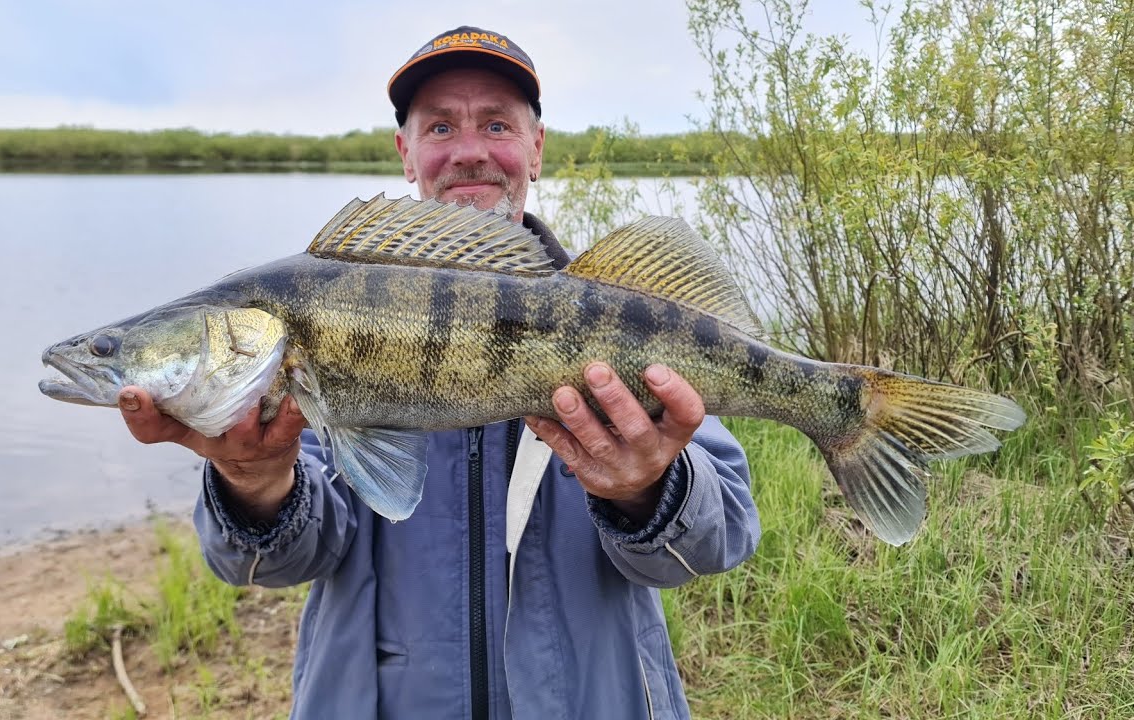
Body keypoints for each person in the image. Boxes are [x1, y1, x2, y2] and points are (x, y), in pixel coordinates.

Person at [118, 26, 760, 719]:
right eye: (440, 126)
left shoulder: (621, 318)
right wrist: (254, 482)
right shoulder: (318, 327)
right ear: (407, 152)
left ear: (536, 147)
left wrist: (648, 491)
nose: (470, 151)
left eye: (496, 123)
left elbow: (716, 543)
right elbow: (274, 564)